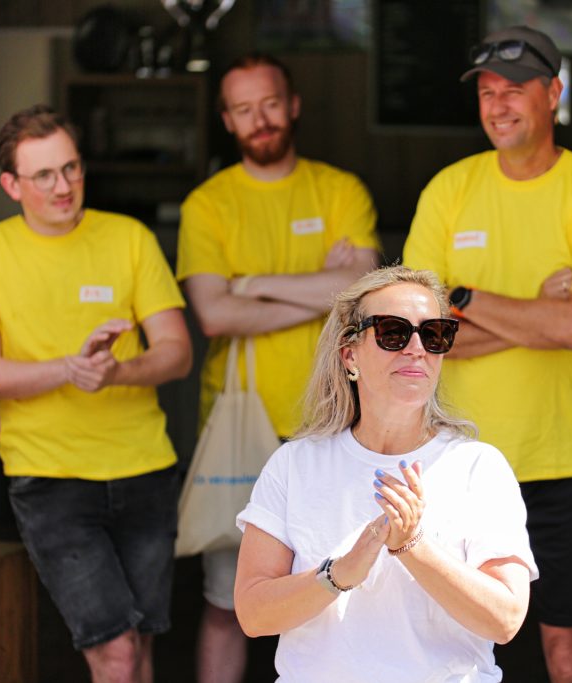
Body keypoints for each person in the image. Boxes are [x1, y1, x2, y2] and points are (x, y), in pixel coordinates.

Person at [403, 26, 572, 683]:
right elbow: (419, 334)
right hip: (456, 462)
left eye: (514, 91)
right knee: (450, 651)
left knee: (569, 650)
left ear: (554, 94)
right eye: (486, 92)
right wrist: (534, 310)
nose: (497, 105)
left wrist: (465, 297)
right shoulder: (448, 190)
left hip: (567, 459)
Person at [0, 105, 192, 683]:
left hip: (145, 468)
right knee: (112, 650)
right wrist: (70, 369)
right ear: (11, 184)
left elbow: (177, 352)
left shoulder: (129, 238)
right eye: (44, 176)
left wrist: (115, 373)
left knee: (138, 646)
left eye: (72, 168)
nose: (64, 187)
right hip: (50, 478)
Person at [177, 53, 379, 683]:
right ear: (226, 120)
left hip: (338, 423)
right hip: (246, 435)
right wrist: (325, 285)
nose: (258, 120)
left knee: (345, 598)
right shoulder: (208, 204)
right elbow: (213, 314)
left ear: (292, 105)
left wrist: (256, 285)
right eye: (242, 109)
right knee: (227, 602)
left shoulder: (340, 189)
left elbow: (367, 292)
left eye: (269, 103)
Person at [233, 265, 537, 682]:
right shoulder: (294, 465)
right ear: (349, 354)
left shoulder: (478, 467)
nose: (417, 349)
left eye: (434, 334)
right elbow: (252, 613)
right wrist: (337, 574)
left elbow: (504, 619)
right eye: (393, 332)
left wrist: (413, 546)